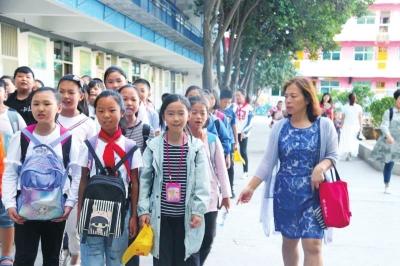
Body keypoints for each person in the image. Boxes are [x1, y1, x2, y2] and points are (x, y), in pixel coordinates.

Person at [238, 77, 338, 266]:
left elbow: (333, 155)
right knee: (290, 243)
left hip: (314, 194)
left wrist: (321, 166)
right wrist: (250, 187)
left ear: (307, 99)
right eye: (286, 96)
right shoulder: (280, 127)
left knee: (314, 244)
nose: (288, 100)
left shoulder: (324, 125)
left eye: (293, 96)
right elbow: (268, 161)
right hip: (285, 195)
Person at [2, 87, 81, 266]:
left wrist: (69, 205)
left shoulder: (69, 139)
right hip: (24, 210)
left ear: (59, 108)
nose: (41, 109)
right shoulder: (21, 137)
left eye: (47, 104)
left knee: (52, 258)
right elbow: (10, 173)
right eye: (36, 104)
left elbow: (77, 175)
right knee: (23, 258)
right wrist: (9, 204)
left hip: (56, 210)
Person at [137, 94, 210, 266]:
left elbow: (202, 183)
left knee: (185, 259)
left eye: (181, 113)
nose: (176, 118)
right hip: (160, 217)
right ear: (163, 116)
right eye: (170, 113)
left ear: (188, 115)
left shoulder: (196, 148)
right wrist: (144, 210)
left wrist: (198, 211)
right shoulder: (153, 146)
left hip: (187, 218)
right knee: (162, 261)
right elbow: (145, 181)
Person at [76, 90, 142, 266]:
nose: (106, 115)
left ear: (122, 112)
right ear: (95, 112)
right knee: (92, 254)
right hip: (92, 209)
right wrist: (80, 210)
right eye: (100, 110)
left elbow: (135, 183)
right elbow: (83, 179)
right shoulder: (89, 144)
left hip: (122, 209)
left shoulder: (131, 147)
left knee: (116, 256)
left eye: (112, 110)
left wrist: (134, 215)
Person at [57, 74, 97, 266]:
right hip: (51, 184)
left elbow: (93, 158)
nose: (66, 96)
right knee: (53, 230)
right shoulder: (51, 117)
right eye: (62, 91)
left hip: (77, 185)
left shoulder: (88, 124)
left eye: (71, 92)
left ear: (81, 96)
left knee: (74, 230)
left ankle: (75, 258)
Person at [187, 96, 231, 265]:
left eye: (202, 113)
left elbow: (221, 169)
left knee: (208, 239)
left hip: (211, 199)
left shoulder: (212, 139)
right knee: (193, 240)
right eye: (194, 112)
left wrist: (226, 195)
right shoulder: (181, 138)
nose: (198, 117)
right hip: (189, 199)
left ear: (208, 116)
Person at [0, 80, 26, 266]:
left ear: (5, 93)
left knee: (5, 216)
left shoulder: (13, 116)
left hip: (6, 175)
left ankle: (7, 255)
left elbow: (24, 141)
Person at [371, 89, 400, 194]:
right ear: (396, 99)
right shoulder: (389, 112)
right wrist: (388, 136)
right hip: (391, 142)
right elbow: (384, 125)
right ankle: (387, 185)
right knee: (389, 164)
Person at [119, 84, 154, 154]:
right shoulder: (112, 128)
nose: (129, 103)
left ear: (139, 103)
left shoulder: (147, 130)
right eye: (124, 99)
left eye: (133, 99)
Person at [219, 89, 238, 197]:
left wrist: (236, 142)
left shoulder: (231, 112)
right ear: (220, 100)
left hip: (229, 142)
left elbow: (234, 126)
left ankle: (230, 188)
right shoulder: (216, 111)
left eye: (229, 102)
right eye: (225, 101)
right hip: (219, 141)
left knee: (230, 165)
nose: (227, 104)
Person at [234, 89, 253, 179]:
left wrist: (244, 132)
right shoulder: (234, 107)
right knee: (232, 152)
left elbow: (250, 123)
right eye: (236, 95)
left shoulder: (249, 108)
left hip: (243, 134)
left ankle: (245, 171)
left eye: (239, 95)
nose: (237, 97)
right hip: (234, 132)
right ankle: (230, 169)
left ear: (244, 96)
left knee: (243, 152)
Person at [338, 92, 363, 160]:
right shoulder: (358, 107)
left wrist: (341, 125)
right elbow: (360, 118)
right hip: (353, 126)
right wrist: (361, 127)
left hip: (348, 126)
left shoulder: (345, 107)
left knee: (348, 140)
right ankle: (349, 153)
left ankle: (349, 154)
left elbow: (343, 118)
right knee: (352, 140)